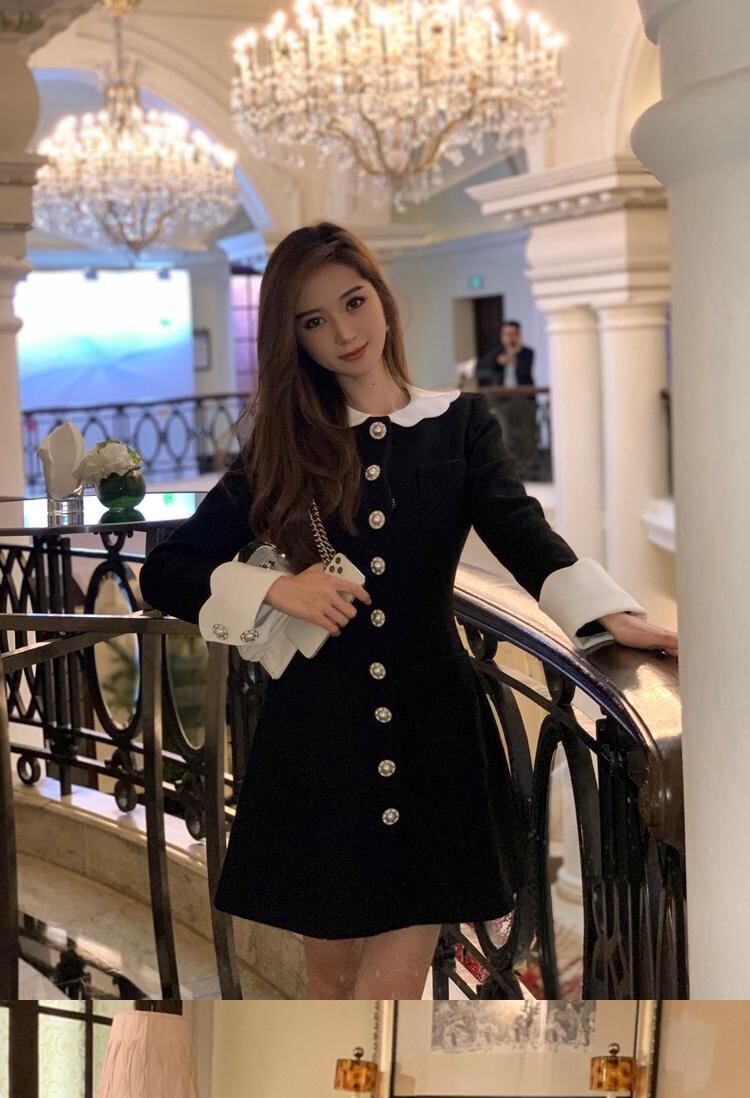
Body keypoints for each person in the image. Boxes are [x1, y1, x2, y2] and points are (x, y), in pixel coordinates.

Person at [139, 221, 677, 1001]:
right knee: (330, 987)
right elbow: (167, 571)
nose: (343, 332)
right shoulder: (285, 446)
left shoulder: (461, 424)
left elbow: (521, 532)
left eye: (353, 302)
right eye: (314, 320)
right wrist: (278, 588)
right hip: (317, 743)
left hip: (434, 740)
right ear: (295, 339)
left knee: (384, 997)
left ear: (381, 299)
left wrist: (610, 617)